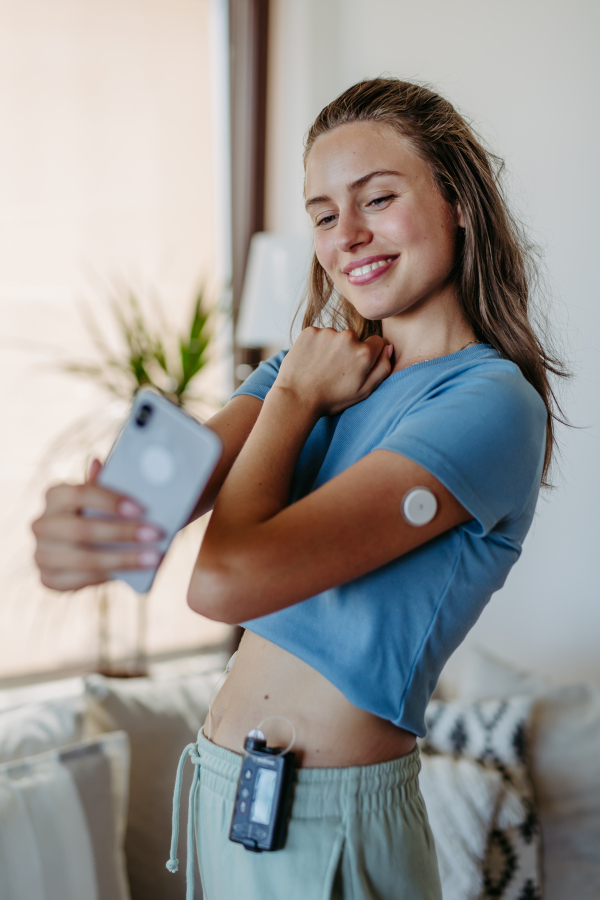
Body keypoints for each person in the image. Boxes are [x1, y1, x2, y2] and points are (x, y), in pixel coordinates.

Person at [32, 78, 564, 899]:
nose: (346, 235)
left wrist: (291, 399)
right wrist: (81, 536)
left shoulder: (489, 404)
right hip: (221, 793)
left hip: (330, 821)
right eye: (322, 214)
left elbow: (223, 582)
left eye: (377, 198)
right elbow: (147, 506)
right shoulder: (310, 367)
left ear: (458, 200)